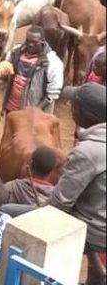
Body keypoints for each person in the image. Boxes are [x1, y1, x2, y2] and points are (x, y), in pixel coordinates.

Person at [52, 83, 106, 285]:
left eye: (73, 105)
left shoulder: (88, 151)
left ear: (84, 113)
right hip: (101, 214)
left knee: (12, 213)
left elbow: (60, 202)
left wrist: (36, 214)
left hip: (93, 229)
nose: (70, 108)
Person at [2, 26, 64, 115]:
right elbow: (6, 71)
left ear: (42, 41)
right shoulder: (16, 52)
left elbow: (52, 94)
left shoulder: (52, 62)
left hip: (32, 116)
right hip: (11, 109)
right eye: (28, 41)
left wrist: (35, 112)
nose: (30, 44)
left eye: (35, 42)